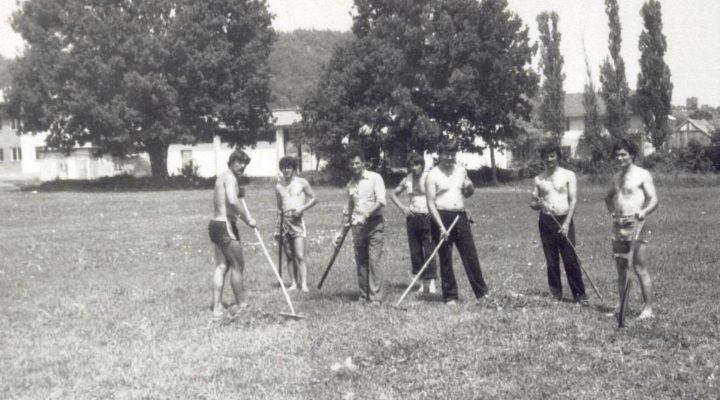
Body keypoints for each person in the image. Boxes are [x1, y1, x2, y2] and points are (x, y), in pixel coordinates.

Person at [425, 140, 488, 304]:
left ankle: (482, 294)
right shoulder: (432, 175)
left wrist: (471, 188)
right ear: (440, 154)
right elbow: (430, 203)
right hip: (440, 217)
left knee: (471, 255)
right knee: (445, 257)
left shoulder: (461, 171)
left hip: (460, 216)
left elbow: (466, 194)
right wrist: (440, 227)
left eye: (453, 154)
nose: (450, 158)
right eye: (446, 154)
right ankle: (450, 296)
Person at [605, 138, 658, 320]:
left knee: (639, 267)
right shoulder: (616, 177)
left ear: (632, 155)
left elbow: (654, 199)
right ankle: (624, 307)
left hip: (636, 224)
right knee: (621, 270)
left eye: (623, 154)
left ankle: (648, 309)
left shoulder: (642, 174)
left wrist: (644, 211)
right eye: (617, 155)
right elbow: (608, 197)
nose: (620, 158)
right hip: (618, 226)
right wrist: (613, 213)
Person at [529, 143, 589, 305]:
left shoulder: (569, 175)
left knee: (570, 258)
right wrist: (538, 204)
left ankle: (579, 294)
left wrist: (567, 223)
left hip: (564, 219)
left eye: (552, 156)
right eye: (546, 156)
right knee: (551, 260)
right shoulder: (539, 179)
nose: (549, 159)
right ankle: (556, 293)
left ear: (558, 157)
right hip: (546, 221)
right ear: (543, 158)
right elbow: (533, 204)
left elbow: (573, 200)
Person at [208, 149, 257, 318]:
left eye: (245, 163)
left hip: (215, 224)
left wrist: (239, 191)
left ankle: (217, 307)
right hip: (226, 225)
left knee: (221, 266)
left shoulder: (222, 177)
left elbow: (231, 197)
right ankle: (242, 304)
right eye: (239, 162)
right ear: (231, 162)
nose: (242, 166)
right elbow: (232, 201)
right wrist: (248, 220)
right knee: (238, 265)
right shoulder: (230, 178)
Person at [334, 148, 386, 301]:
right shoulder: (350, 185)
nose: (355, 166)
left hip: (375, 224)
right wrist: (340, 232)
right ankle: (364, 296)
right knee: (361, 261)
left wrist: (366, 215)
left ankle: (376, 298)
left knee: (374, 260)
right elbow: (348, 211)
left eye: (357, 163)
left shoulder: (375, 178)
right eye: (352, 164)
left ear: (363, 163)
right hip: (357, 227)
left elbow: (381, 201)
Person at [389, 152, 437, 293]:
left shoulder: (428, 177)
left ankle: (432, 282)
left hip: (427, 217)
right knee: (415, 251)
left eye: (417, 165)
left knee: (429, 250)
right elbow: (392, 194)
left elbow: (438, 195)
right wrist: (403, 208)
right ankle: (422, 283)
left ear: (422, 165)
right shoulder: (407, 179)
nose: (414, 168)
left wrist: (433, 210)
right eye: (411, 165)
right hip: (412, 217)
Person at [274, 156, 318, 292]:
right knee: (289, 254)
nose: (286, 170)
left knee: (299, 255)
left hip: (297, 222)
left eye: (289, 167)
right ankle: (293, 283)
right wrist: (277, 223)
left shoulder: (302, 182)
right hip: (284, 222)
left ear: (294, 169)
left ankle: (303, 284)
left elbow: (315, 198)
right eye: (283, 168)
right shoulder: (278, 187)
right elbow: (279, 207)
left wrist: (301, 209)